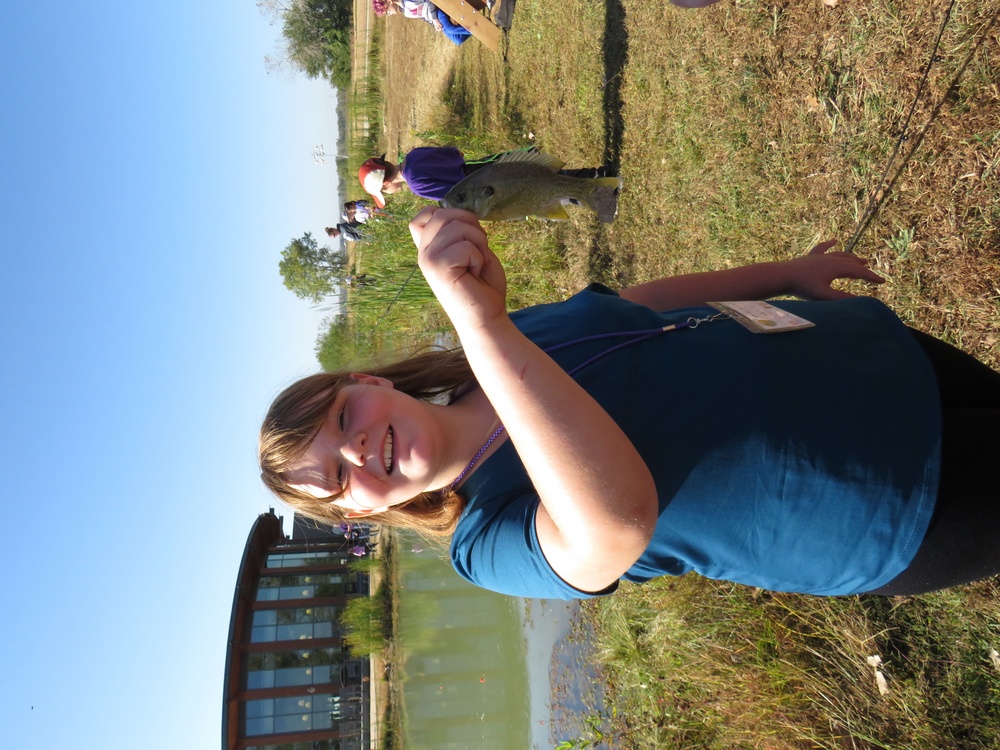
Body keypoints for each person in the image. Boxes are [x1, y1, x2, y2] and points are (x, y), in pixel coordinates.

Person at [260, 208, 1000, 600]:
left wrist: (788, 272)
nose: (356, 452)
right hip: (885, 500)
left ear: (372, 384)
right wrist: (482, 324)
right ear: (357, 512)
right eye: (336, 479)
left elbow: (636, 307)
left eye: (342, 418)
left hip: (871, 360)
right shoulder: (482, 543)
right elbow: (614, 525)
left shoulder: (488, 357)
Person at [359, 149, 614, 207]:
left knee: (542, 194)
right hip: (485, 165)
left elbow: (453, 197)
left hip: (486, 187)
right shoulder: (413, 156)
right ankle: (597, 176)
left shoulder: (416, 185)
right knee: (541, 175)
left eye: (384, 192)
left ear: (386, 184)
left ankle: (601, 193)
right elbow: (455, 153)